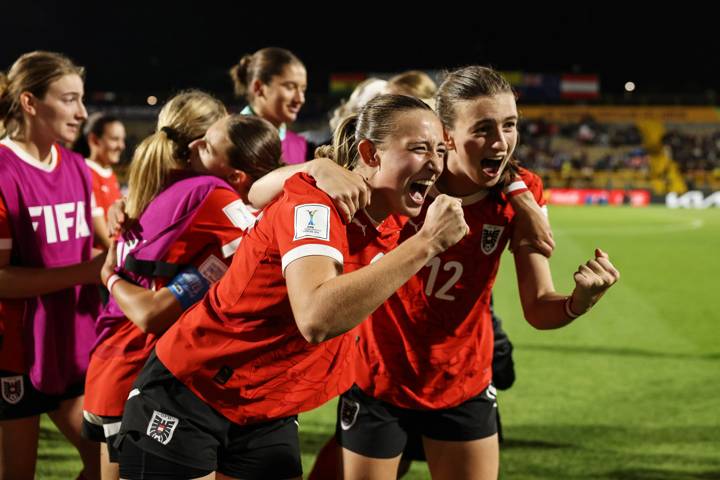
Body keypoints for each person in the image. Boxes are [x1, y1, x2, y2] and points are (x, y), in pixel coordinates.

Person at [115, 94, 468, 479]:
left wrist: (520, 195)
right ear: (370, 153)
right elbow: (316, 317)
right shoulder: (316, 205)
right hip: (192, 393)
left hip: (268, 405)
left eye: (439, 149)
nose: (435, 163)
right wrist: (427, 244)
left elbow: (257, 190)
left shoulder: (392, 208)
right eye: (419, 149)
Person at [335, 66, 620, 480]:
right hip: (378, 380)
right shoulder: (398, 180)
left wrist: (579, 301)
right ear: (446, 136)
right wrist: (323, 169)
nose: (501, 141)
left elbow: (539, 308)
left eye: (510, 125)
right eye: (484, 128)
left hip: (462, 383)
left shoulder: (520, 195)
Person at [81, 91, 285, 479]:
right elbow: (267, 239)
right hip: (139, 370)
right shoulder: (209, 194)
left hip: (115, 362)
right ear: (200, 146)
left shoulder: (154, 184)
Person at [0, 50, 103, 480]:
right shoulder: (3, 172)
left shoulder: (78, 168)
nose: (82, 112)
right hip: (17, 351)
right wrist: (88, 272)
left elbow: (101, 245)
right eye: (69, 99)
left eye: (81, 99)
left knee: (108, 465)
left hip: (74, 344)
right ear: (29, 102)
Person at [229, 47, 309, 164]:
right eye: (290, 87)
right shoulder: (228, 139)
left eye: (303, 90)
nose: (300, 99)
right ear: (258, 88)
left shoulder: (300, 145)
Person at [76, 112, 126, 250]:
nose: (121, 146)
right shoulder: (84, 172)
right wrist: (123, 258)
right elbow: (102, 235)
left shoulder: (109, 173)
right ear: (94, 140)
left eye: (122, 139)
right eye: (115, 139)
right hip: (100, 263)